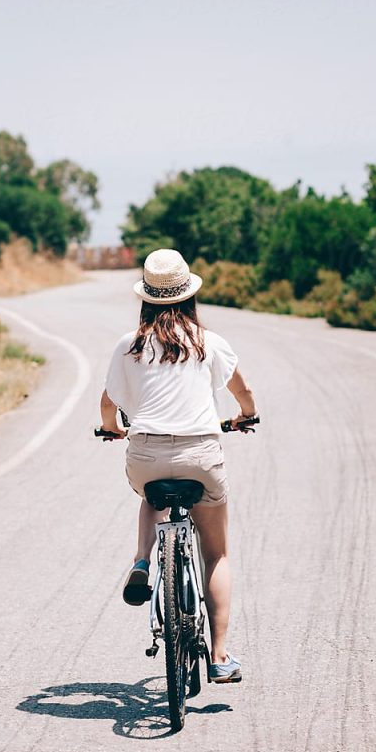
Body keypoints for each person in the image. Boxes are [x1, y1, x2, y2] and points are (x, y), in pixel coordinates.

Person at [99, 249, 258, 684]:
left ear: (146, 298)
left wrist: (111, 428)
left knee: (151, 495)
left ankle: (141, 561)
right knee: (217, 553)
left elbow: (108, 402)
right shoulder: (209, 341)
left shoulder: (128, 344)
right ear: (188, 295)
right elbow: (242, 389)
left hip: (146, 453)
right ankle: (221, 656)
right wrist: (247, 413)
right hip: (201, 454)